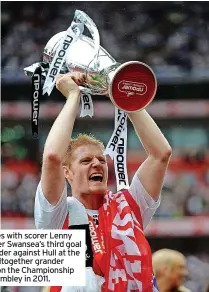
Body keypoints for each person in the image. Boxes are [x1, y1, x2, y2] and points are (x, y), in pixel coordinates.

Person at [35, 72, 172, 292]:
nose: (97, 164)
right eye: (86, 161)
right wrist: (72, 97)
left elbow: (161, 154)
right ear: (67, 172)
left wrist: (121, 94)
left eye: (101, 159)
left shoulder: (128, 206)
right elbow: (52, 157)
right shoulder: (58, 215)